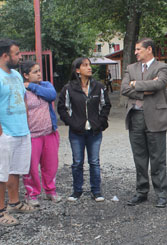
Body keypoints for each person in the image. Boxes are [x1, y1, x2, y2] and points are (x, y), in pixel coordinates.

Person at [121, 38, 167, 208]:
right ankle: (141, 192)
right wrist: (145, 91)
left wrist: (136, 85)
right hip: (135, 117)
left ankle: (161, 194)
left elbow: (159, 83)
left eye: (138, 49)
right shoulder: (130, 68)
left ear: (149, 49)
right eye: (135, 49)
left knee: (158, 158)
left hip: (156, 118)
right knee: (139, 158)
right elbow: (124, 88)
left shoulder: (162, 67)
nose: (135, 52)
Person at [57, 57, 111, 202]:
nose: (89, 68)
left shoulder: (98, 86)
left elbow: (106, 105)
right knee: (77, 162)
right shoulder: (69, 88)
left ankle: (96, 191)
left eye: (89, 65)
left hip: (94, 131)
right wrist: (72, 123)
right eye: (85, 65)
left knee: (94, 161)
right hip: (76, 132)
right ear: (77, 70)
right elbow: (62, 108)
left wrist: (100, 122)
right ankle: (77, 191)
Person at [0, 39, 37, 227]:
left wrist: (26, 122)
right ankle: (0, 211)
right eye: (16, 53)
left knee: (16, 170)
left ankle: (14, 203)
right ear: (5, 55)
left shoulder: (15, 75)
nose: (19, 56)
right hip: (4, 133)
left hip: (21, 130)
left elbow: (23, 99)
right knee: (1, 172)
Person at [20, 60, 61, 206]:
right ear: (25, 75)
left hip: (49, 132)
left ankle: (50, 191)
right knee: (31, 167)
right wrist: (27, 87)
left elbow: (51, 95)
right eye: (35, 72)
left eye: (39, 71)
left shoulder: (45, 85)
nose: (39, 74)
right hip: (31, 135)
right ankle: (32, 194)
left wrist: (32, 86)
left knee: (51, 164)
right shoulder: (21, 90)